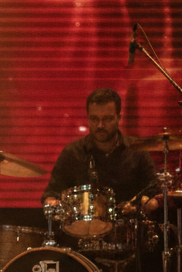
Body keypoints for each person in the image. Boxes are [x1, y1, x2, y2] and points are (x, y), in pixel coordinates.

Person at [42, 87, 157, 215]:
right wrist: (51, 201)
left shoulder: (138, 152)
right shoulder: (72, 153)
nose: (100, 125)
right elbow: (52, 192)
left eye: (107, 119)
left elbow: (153, 191)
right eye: (94, 119)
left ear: (118, 118)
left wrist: (144, 204)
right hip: (83, 226)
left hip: (128, 224)